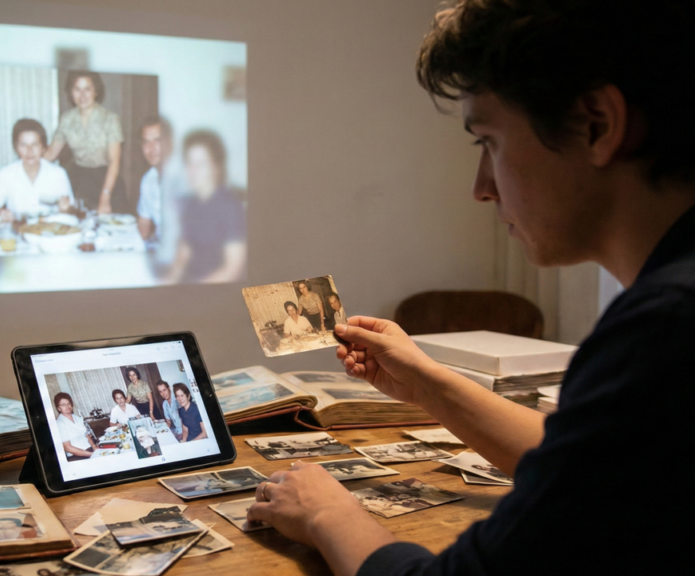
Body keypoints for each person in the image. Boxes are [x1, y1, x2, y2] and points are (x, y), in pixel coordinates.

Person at [246, 2, 695, 575]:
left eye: (488, 142)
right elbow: (581, 460)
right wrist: (429, 382)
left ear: (596, 125)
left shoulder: (664, 330)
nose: (482, 188)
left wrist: (326, 514)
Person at [165, 130, 246, 283]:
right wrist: (169, 281)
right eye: (189, 163)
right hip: (190, 282)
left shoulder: (231, 207)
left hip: (216, 290)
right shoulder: (191, 204)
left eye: (201, 164)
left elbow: (233, 268)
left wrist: (196, 291)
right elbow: (184, 251)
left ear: (216, 167)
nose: (192, 171)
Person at [44, 71, 124, 214]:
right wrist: (26, 163)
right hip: (78, 179)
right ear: (71, 92)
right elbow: (50, 154)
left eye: (87, 89)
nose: (82, 95)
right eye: (77, 89)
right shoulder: (66, 119)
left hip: (106, 180)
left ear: (96, 91)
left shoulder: (110, 119)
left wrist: (104, 198)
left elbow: (114, 163)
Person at [0, 118, 74, 221]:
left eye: (35, 144)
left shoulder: (58, 174)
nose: (29, 151)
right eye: (23, 145)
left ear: (43, 147)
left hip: (50, 233)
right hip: (17, 231)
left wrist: (66, 208)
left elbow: (71, 210)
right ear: (16, 148)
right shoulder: (6, 174)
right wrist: (1, 213)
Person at [136, 117, 174, 243]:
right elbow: (144, 223)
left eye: (157, 140)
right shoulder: (148, 180)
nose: (151, 149)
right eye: (146, 142)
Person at [53, 392, 97, 459]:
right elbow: (67, 448)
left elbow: (85, 435)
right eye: (63, 405)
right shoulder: (60, 423)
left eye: (68, 403)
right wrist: (91, 454)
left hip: (89, 450)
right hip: (76, 456)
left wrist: (94, 447)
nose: (67, 406)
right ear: (59, 408)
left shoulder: (77, 418)